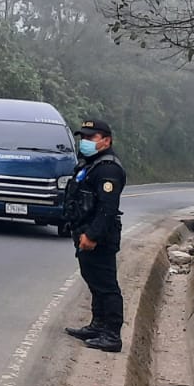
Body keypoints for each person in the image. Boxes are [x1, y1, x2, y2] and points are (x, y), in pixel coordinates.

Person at [62, 118, 127, 352]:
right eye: (84, 137)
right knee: (94, 281)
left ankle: (112, 334)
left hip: (100, 238)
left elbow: (107, 208)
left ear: (106, 141)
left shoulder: (108, 169)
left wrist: (92, 235)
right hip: (85, 231)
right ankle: (98, 325)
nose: (85, 142)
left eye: (91, 137)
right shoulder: (90, 164)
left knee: (106, 285)